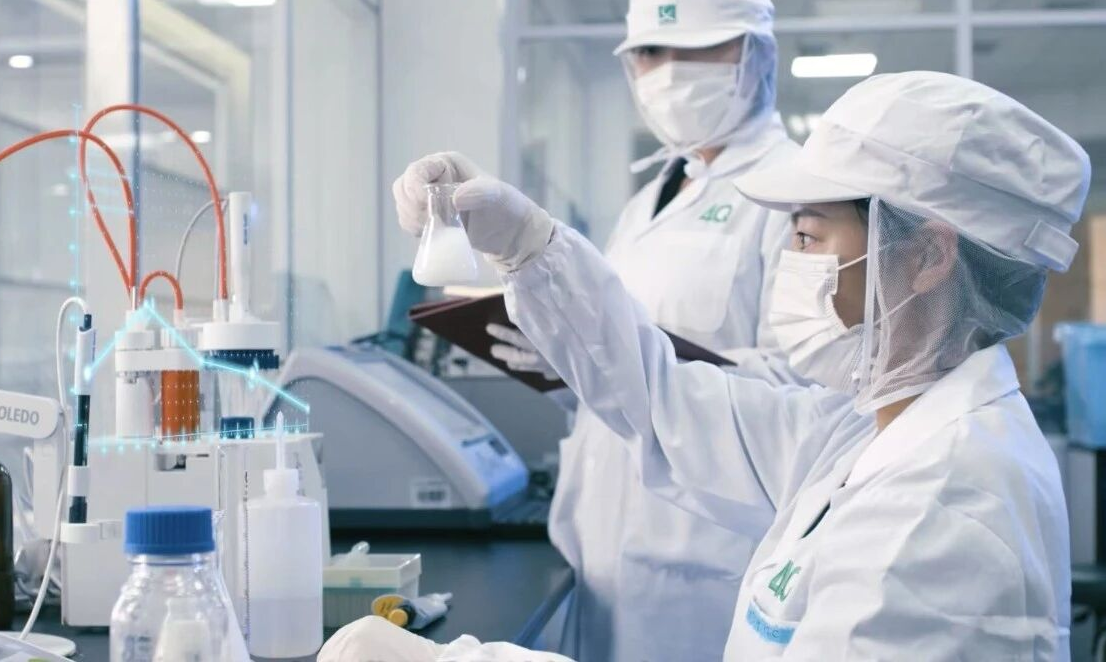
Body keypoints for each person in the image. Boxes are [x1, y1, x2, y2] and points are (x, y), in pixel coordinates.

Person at [377, 70, 1088, 659]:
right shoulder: (867, 431)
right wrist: (529, 246)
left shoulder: (948, 507)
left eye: (807, 236)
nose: (792, 265)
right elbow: (662, 399)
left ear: (928, 256)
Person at [479, 1, 796, 658]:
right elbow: (614, 373)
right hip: (601, 546)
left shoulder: (791, 194)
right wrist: (565, 361)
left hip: (705, 557)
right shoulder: (647, 201)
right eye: (652, 53)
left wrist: (628, 356)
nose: (671, 72)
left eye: (697, 50)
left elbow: (801, 392)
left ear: (756, 54)